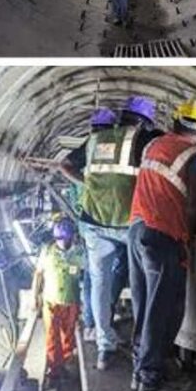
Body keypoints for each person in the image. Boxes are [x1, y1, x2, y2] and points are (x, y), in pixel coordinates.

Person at [61, 95, 163, 370]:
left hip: (94, 222)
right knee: (141, 283)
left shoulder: (97, 139)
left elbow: (65, 164)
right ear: (144, 122)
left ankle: (105, 346)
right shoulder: (143, 140)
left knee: (99, 283)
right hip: (128, 223)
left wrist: (88, 185)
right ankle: (141, 347)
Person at [127, 99, 196, 391]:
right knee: (164, 309)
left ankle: (142, 369)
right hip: (163, 237)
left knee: (145, 305)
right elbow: (192, 206)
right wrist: (186, 241)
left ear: (176, 122)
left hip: (135, 230)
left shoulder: (153, 145)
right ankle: (151, 381)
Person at [62, 107, 119, 341]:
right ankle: (99, 325)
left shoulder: (88, 149)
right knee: (106, 275)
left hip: (88, 222)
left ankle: (91, 325)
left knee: (93, 276)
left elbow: (65, 165)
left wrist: (86, 182)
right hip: (106, 220)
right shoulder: (107, 147)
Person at [32, 215, 85, 391]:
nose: (62, 242)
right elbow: (38, 275)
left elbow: (89, 277)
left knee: (68, 338)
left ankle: (66, 367)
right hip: (51, 302)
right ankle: (54, 373)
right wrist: (34, 297)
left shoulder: (79, 252)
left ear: (71, 237)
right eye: (59, 239)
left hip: (71, 301)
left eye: (65, 239)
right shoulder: (47, 251)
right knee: (52, 337)